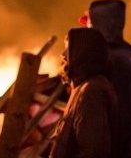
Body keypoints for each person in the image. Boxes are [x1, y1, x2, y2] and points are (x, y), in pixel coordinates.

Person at [80, 0, 131, 158]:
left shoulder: (102, 58)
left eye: (90, 21)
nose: (87, 27)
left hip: (112, 146)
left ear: (99, 23)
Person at [50, 28, 118, 158]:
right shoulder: (82, 88)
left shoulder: (92, 91)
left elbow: (94, 152)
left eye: (68, 49)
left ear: (83, 53)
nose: (63, 55)